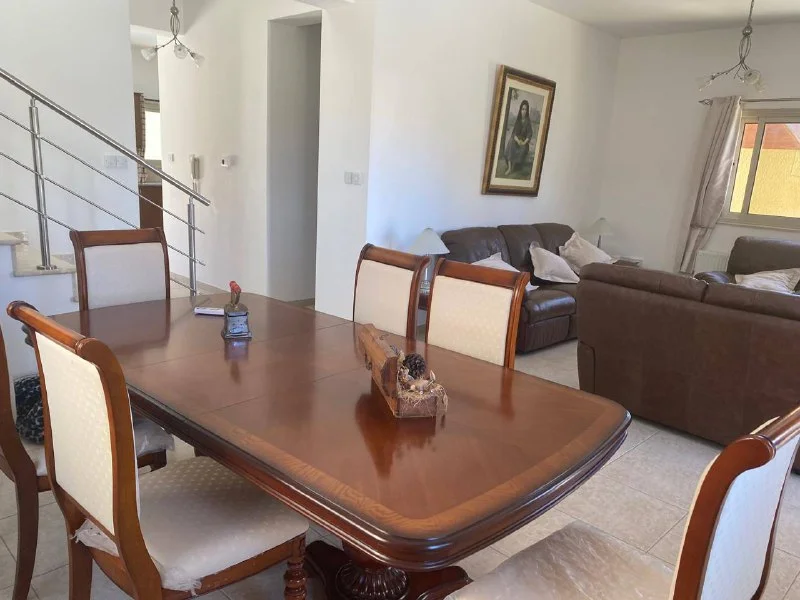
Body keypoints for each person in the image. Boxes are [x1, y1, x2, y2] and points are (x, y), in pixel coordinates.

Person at [504, 100, 534, 176]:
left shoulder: (528, 122)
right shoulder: (518, 121)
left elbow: (530, 134)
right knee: (511, 142)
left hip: (524, 143)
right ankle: (509, 168)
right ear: (520, 110)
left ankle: (514, 166)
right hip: (517, 141)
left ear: (527, 111)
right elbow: (514, 133)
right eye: (522, 109)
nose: (524, 111)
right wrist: (517, 140)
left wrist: (524, 142)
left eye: (525, 109)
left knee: (522, 149)